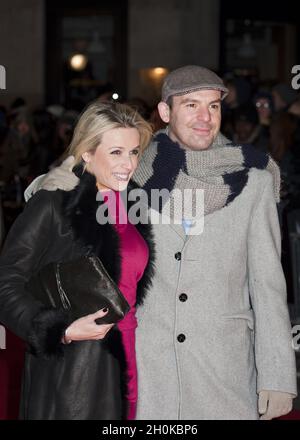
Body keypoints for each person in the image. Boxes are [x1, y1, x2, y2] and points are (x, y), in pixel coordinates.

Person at [25, 66, 297, 420]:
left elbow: (268, 285)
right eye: (191, 105)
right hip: (149, 368)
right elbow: (63, 184)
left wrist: (277, 377)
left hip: (224, 369)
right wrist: (55, 181)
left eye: (213, 106)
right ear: (166, 112)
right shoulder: (134, 169)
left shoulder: (254, 181)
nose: (204, 117)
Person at [0, 101, 155, 420]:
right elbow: (5, 284)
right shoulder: (54, 203)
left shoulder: (133, 202)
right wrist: (61, 329)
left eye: (134, 152)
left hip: (133, 360)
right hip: (75, 375)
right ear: (86, 153)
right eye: (115, 152)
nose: (128, 164)